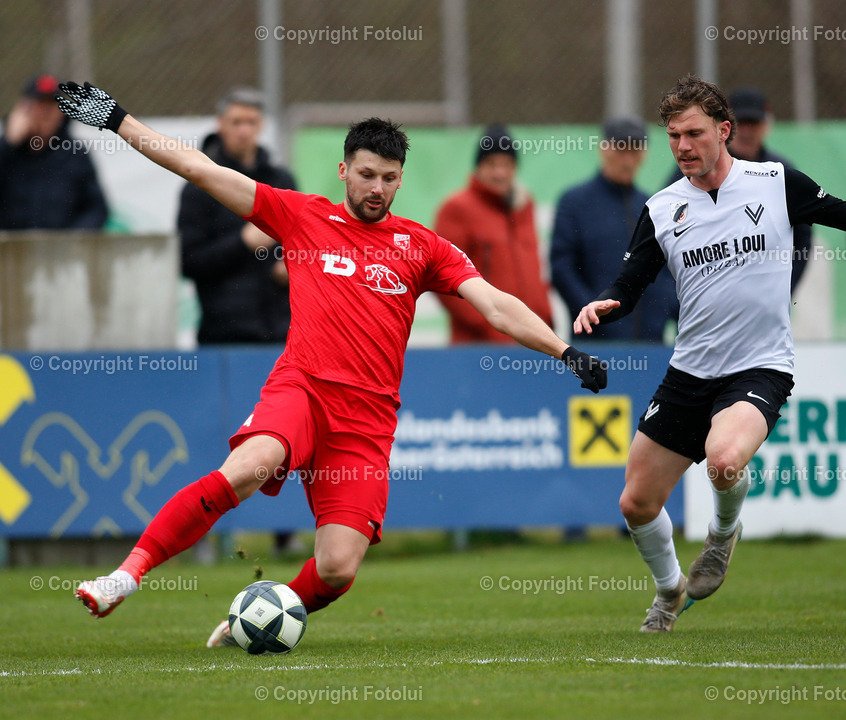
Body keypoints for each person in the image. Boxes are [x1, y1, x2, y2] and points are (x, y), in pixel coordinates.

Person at [56, 82, 608, 644]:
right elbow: (200, 170)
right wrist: (117, 119)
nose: (378, 188)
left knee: (339, 567)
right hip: (303, 389)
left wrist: (565, 351)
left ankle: (262, 613)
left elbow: (494, 303)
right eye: (367, 175)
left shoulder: (422, 247)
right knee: (251, 466)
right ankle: (126, 576)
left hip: (366, 420)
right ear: (344, 171)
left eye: (390, 178)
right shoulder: (300, 217)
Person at [573, 75, 846, 633]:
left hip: (760, 365)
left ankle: (722, 537)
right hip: (689, 371)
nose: (682, 146)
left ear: (724, 131)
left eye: (694, 133)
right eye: (674, 135)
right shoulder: (661, 208)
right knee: (635, 503)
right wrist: (605, 305)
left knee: (724, 459)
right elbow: (631, 283)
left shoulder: (775, 182)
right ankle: (669, 590)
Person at [665, 87, 812, 292]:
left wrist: (784, 288)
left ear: (766, 125)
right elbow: (666, 231)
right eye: (741, 123)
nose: (746, 131)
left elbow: (802, 237)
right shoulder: (696, 166)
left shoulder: (779, 172)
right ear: (724, 127)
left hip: (763, 299)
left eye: (754, 123)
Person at [178, 88, 296, 345]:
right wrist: (243, 243)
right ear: (220, 124)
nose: (244, 130)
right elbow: (188, 262)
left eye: (251, 122)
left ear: (261, 125)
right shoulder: (200, 186)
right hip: (224, 335)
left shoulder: (282, 181)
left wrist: (291, 266)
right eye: (236, 122)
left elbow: (303, 240)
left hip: (283, 330)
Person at [550, 116, 678, 341]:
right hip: (595, 343)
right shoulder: (575, 202)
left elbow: (667, 270)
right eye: (621, 150)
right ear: (604, 149)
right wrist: (593, 313)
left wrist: (662, 313)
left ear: (644, 155)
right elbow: (562, 269)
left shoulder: (652, 206)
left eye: (635, 150)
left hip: (651, 342)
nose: (627, 159)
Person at [434, 124, 553, 343]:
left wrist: (544, 316)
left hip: (531, 338)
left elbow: (533, 269)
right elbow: (442, 277)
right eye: (491, 164)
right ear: (478, 167)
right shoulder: (457, 208)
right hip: (480, 344)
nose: (500, 172)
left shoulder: (524, 206)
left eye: (506, 164)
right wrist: (490, 323)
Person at [0, 74, 107, 230]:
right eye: (40, 104)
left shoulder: (75, 155)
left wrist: (70, 242)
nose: (46, 113)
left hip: (60, 251)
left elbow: (96, 209)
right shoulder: (7, 152)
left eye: (52, 105)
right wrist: (8, 144)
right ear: (24, 109)